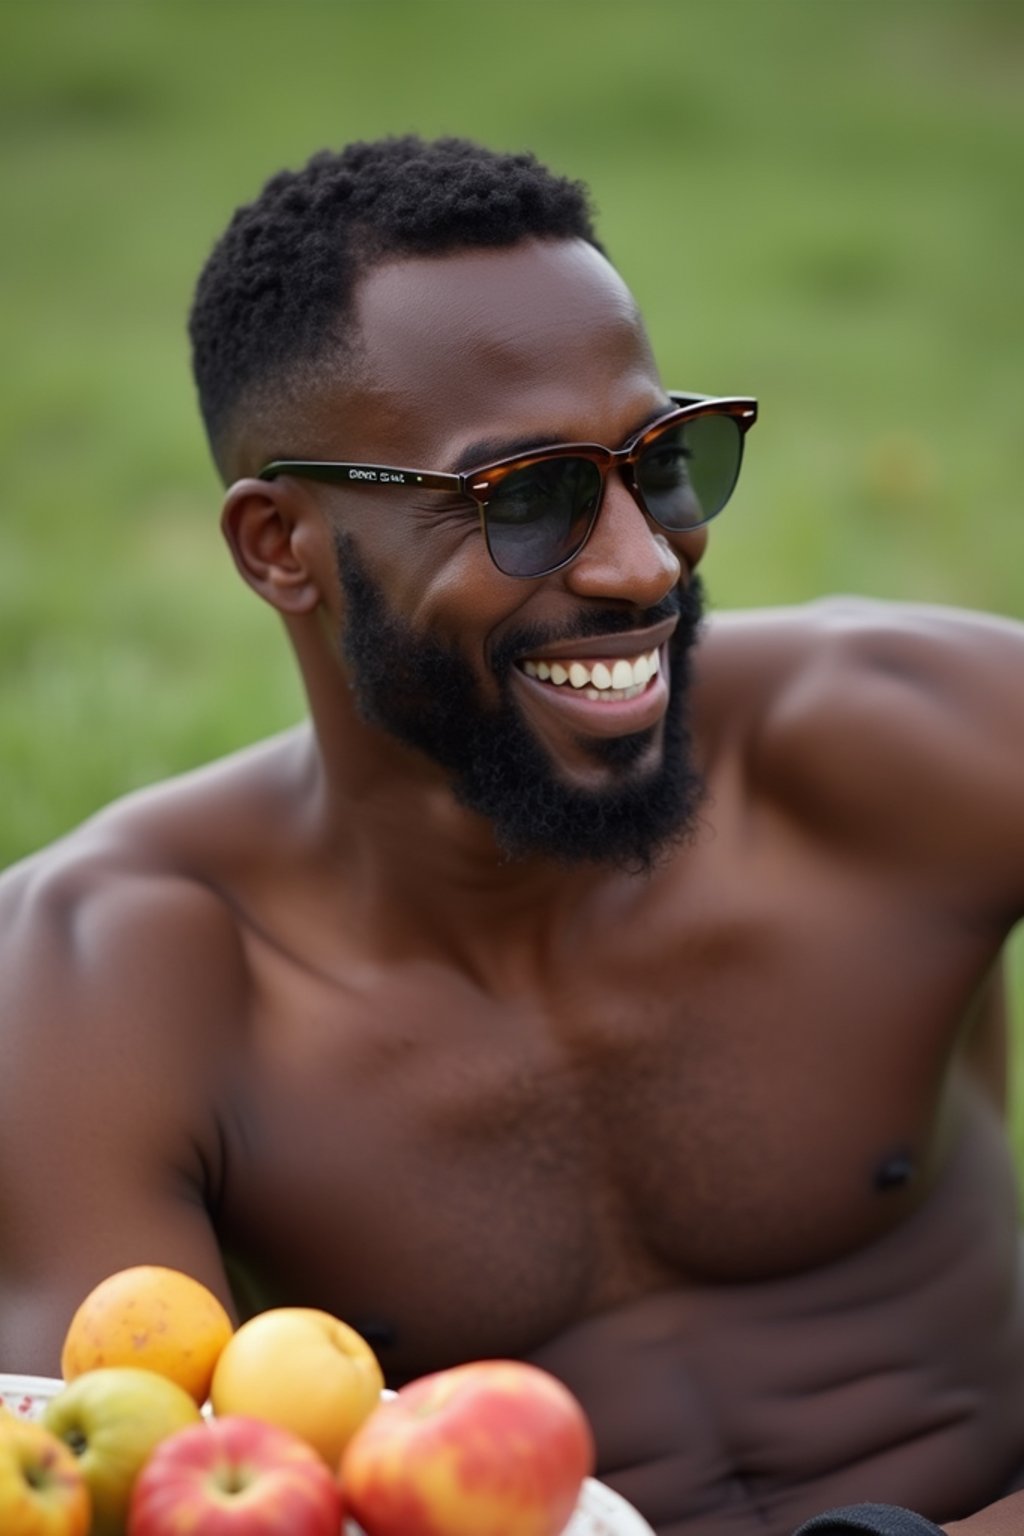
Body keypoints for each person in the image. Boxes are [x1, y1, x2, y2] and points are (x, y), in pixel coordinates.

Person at [0, 134, 1022, 1536]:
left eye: (663, 459)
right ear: (278, 548)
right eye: (528, 497)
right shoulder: (102, 985)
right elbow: (111, 1493)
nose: (643, 562)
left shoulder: (924, 746)